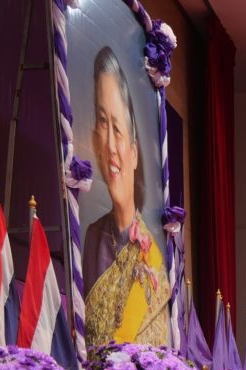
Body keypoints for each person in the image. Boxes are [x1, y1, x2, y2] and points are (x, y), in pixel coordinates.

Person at [83, 46, 170, 348]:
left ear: (133, 153)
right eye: (102, 122)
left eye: (117, 129)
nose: (109, 145)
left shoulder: (154, 257)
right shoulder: (92, 238)